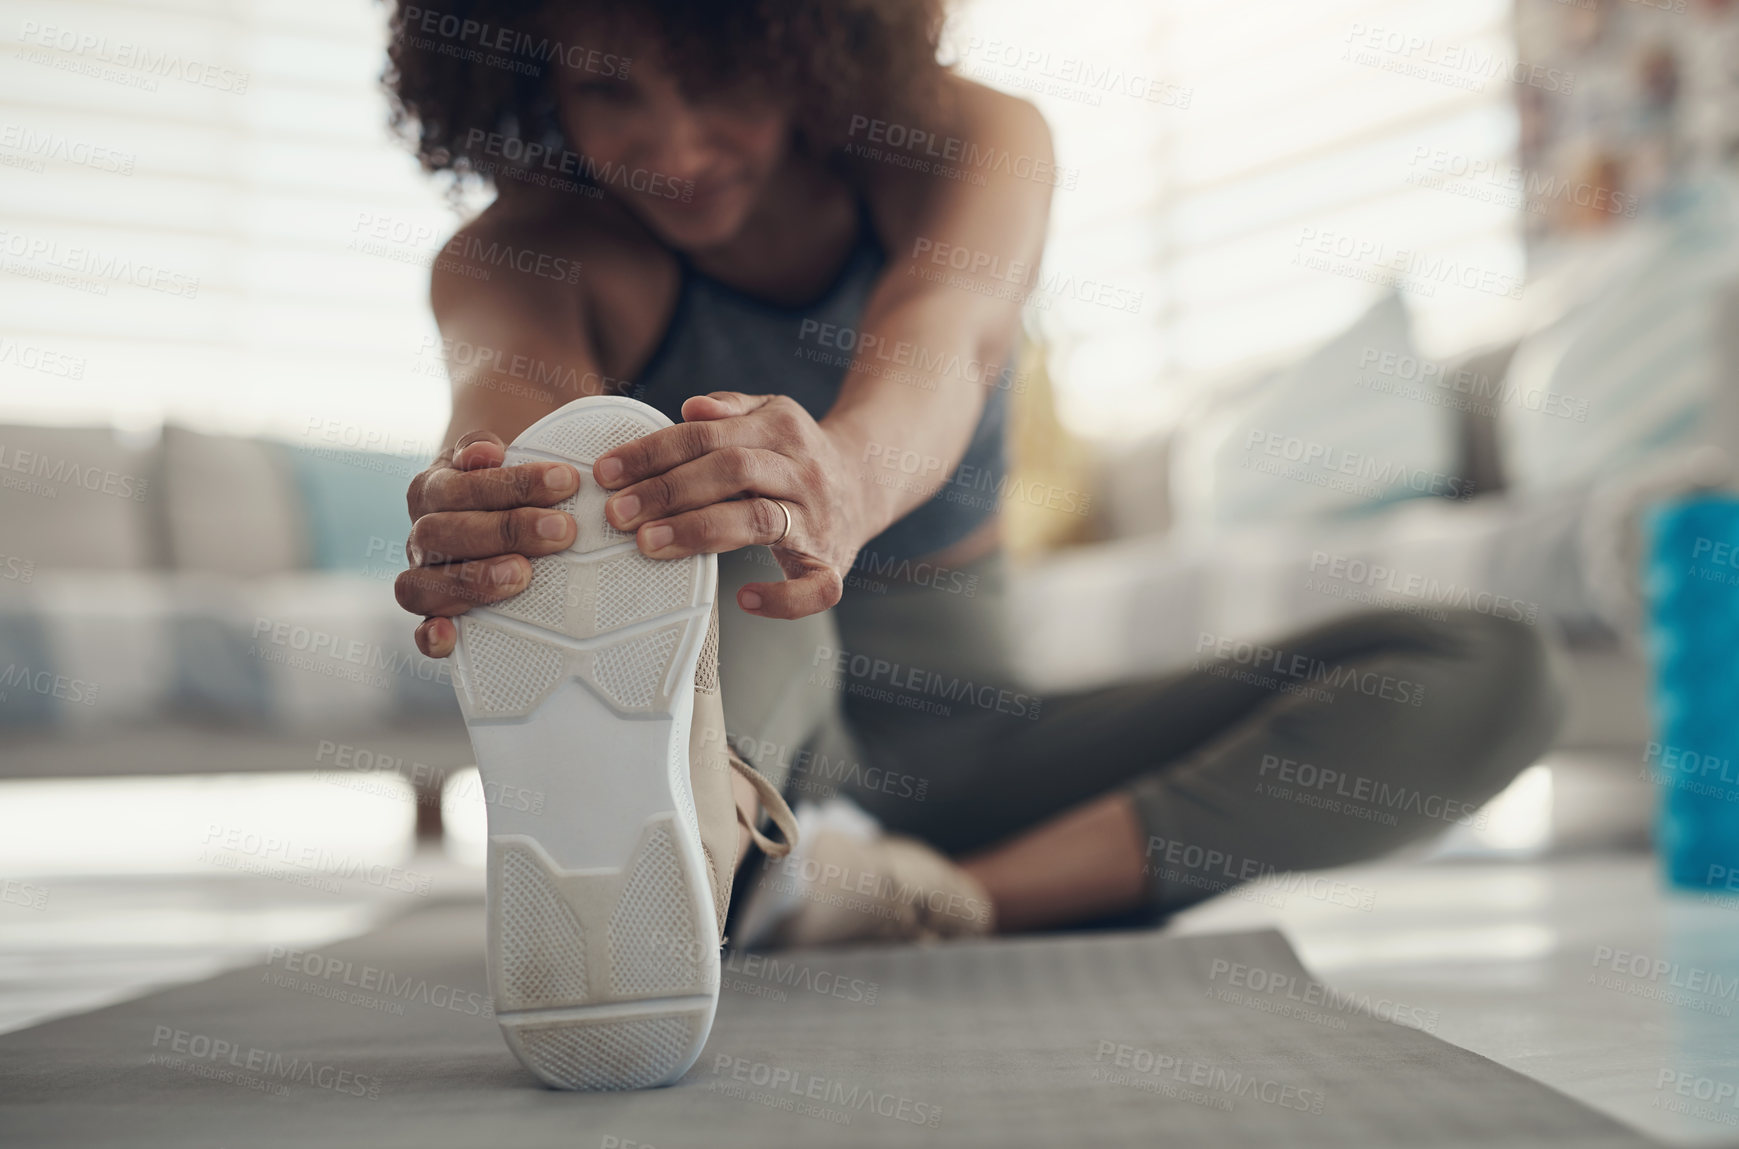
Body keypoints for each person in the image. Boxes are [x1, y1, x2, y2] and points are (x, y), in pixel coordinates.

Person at [388, 0, 1562, 952]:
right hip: (731, 694)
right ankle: (690, 857)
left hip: (965, 745)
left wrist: (838, 477)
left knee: (1490, 668)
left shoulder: (961, 146)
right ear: (537, 73)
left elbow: (944, 338)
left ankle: (917, 903)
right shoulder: (519, 254)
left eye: (718, 75)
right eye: (610, 89)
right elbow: (511, 413)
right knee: (718, 546)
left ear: (806, 36)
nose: (677, 145)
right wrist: (487, 502)